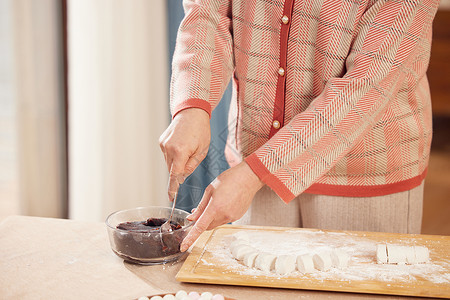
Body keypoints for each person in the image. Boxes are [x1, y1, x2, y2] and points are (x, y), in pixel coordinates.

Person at [159, 0, 439, 252]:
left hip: (363, 173)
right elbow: (208, 13)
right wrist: (192, 106)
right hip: (255, 157)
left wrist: (255, 174)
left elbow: (364, 87)